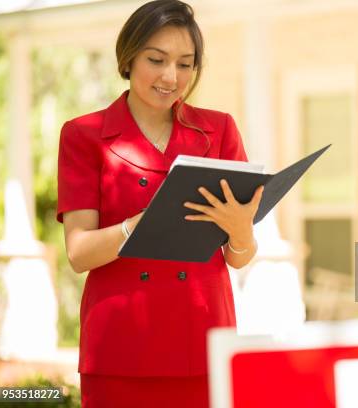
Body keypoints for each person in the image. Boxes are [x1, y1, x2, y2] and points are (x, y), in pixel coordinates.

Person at [56, 1, 262, 406]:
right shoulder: (84, 135)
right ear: (129, 57)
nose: (171, 77)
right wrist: (142, 223)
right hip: (120, 347)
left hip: (203, 339)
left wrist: (240, 230)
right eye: (157, 59)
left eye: (185, 64)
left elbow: (238, 257)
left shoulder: (218, 130)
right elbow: (79, 253)